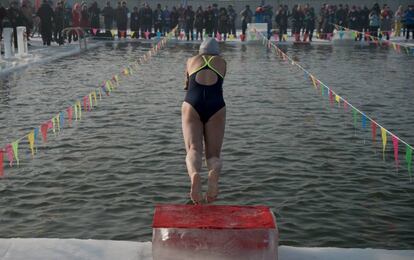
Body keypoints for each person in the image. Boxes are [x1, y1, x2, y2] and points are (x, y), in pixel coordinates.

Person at [182, 38, 226, 204]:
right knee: (213, 155)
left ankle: (194, 175)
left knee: (193, 149)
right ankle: (213, 172)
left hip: (193, 103)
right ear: (217, 53)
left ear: (200, 51)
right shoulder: (222, 62)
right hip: (216, 105)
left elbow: (186, 85)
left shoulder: (191, 60)